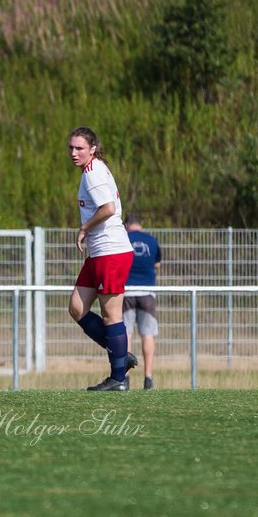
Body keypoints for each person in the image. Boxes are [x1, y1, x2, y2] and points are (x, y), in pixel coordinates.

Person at [66, 127, 136, 391]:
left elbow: (108, 209)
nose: (74, 153)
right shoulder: (92, 170)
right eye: (71, 148)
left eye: (80, 148)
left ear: (92, 149)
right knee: (77, 307)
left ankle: (119, 378)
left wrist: (84, 228)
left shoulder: (93, 172)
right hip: (99, 253)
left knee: (111, 315)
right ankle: (120, 355)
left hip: (111, 251)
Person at [124, 213, 162, 391]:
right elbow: (157, 265)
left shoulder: (123, 237)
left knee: (126, 334)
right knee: (147, 334)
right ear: (140, 224)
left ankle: (124, 378)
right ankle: (148, 378)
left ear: (126, 224)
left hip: (125, 292)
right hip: (147, 293)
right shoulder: (152, 240)